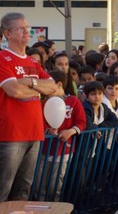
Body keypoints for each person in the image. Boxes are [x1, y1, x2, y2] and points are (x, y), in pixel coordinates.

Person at [0, 12, 58, 212]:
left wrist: (31, 82)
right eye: (21, 28)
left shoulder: (33, 62)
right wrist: (38, 88)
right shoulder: (1, 59)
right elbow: (14, 90)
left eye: (28, 27)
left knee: (23, 190)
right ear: (7, 33)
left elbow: (55, 88)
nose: (28, 32)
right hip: (11, 134)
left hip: (34, 132)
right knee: (2, 190)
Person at [36, 70, 86, 201]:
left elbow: (81, 122)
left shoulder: (73, 101)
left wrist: (71, 131)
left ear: (58, 85)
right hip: (44, 150)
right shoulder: (43, 103)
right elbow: (39, 122)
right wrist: (48, 130)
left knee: (55, 186)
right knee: (39, 185)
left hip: (64, 151)